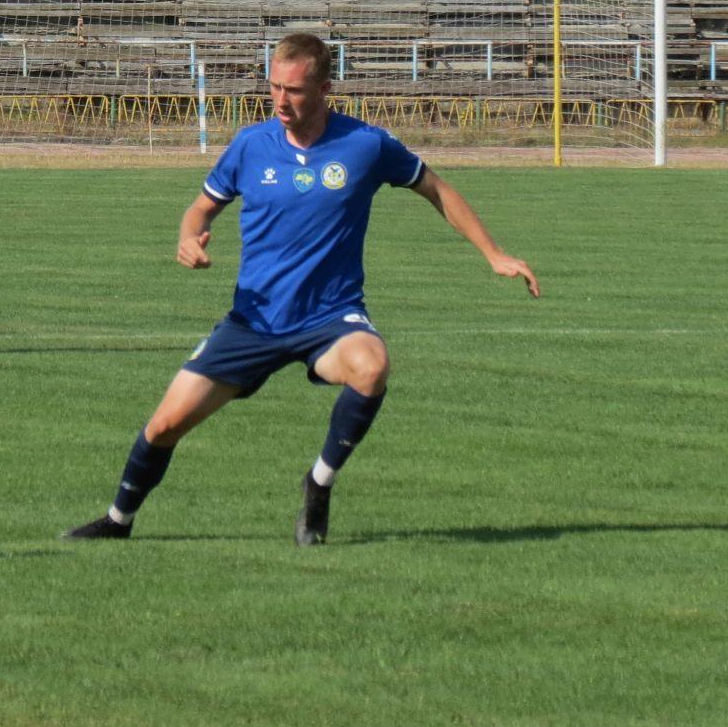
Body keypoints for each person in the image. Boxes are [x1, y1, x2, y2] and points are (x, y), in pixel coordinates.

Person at [65, 32, 541, 547]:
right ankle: (118, 520)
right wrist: (188, 238)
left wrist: (493, 254)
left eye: (293, 90)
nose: (281, 101)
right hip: (254, 322)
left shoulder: (365, 144)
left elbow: (437, 188)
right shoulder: (251, 145)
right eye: (273, 88)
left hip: (330, 319)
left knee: (372, 366)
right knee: (163, 427)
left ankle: (319, 484)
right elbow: (202, 207)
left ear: (324, 88)